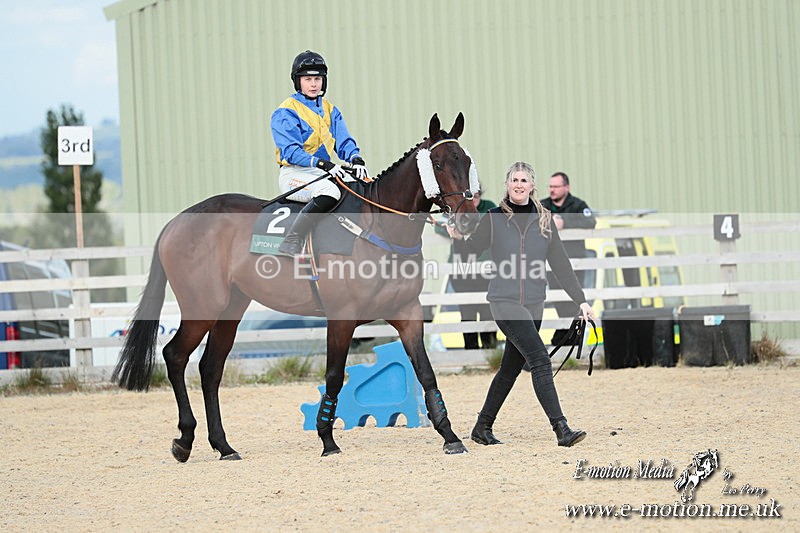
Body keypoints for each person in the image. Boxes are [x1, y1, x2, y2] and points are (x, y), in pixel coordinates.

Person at [447, 161, 594, 448]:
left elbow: (561, 265)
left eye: (524, 180)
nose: (518, 184)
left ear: (532, 186)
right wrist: (457, 238)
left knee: (509, 370)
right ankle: (561, 428)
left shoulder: (545, 219)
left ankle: (482, 427)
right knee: (539, 359)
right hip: (504, 301)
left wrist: (582, 301)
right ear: (508, 184)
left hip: (535, 304)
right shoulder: (493, 218)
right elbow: (471, 249)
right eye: (514, 179)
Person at [271, 50, 369, 256]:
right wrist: (323, 164)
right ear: (298, 82)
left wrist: (356, 158)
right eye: (308, 79)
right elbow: (290, 152)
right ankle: (291, 240)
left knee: (360, 188)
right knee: (330, 192)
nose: (314, 84)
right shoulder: (286, 111)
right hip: (294, 174)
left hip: (322, 172)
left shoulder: (331, 110)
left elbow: (344, 142)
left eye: (317, 79)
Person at [435, 189, 498, 349]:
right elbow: (440, 226)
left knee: (488, 311)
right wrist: (456, 229)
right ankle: (471, 351)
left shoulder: (489, 207)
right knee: (467, 312)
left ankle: (490, 351)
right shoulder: (456, 208)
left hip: (486, 271)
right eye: (469, 196)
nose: (473, 200)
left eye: (476, 196)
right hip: (462, 271)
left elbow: (493, 226)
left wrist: (463, 228)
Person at [540, 171, 596, 344]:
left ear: (566, 187)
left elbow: (590, 222)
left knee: (574, 300)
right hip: (551, 263)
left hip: (575, 262)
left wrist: (565, 223)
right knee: (558, 300)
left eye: (556, 186)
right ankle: (566, 335)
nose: (552, 190)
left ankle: (568, 337)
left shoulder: (578, 205)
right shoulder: (542, 205)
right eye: (550, 186)